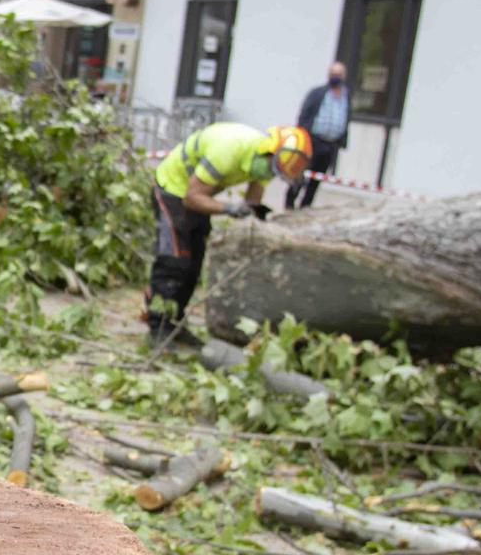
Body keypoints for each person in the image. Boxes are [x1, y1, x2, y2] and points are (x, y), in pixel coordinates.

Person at [146, 122, 311, 350]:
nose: (270, 174)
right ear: (268, 152)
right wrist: (228, 208)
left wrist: (255, 219)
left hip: (202, 195)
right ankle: (157, 326)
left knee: (194, 267)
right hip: (174, 189)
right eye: (272, 169)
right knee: (174, 261)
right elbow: (191, 198)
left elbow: (253, 199)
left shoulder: (267, 163)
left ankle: (175, 324)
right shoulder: (229, 149)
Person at [286, 59, 348, 208]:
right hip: (313, 141)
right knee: (302, 173)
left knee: (317, 178)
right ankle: (289, 203)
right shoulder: (318, 93)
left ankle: (305, 206)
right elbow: (304, 115)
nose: (335, 77)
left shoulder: (346, 97)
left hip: (331, 144)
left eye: (338, 74)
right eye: (333, 73)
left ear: (344, 76)